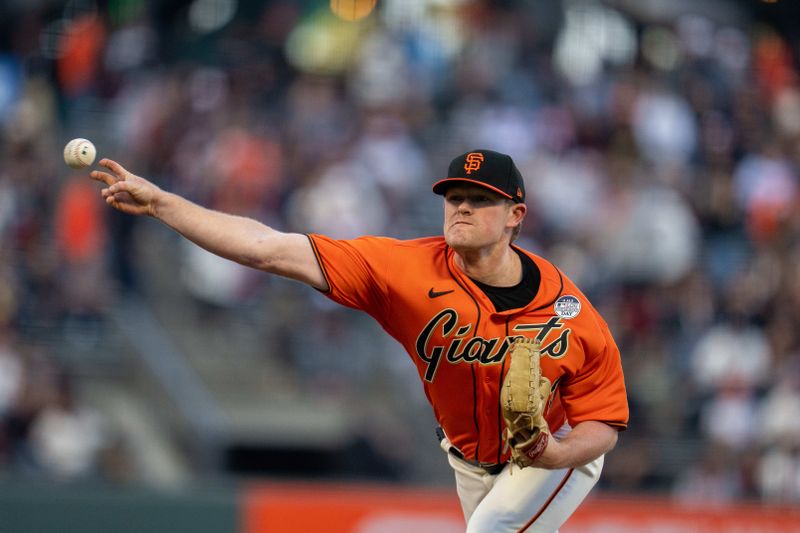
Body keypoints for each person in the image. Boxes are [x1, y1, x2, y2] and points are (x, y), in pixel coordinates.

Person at [90, 148, 628, 532]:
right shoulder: (403, 269)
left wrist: (554, 452)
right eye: (454, 196)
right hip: (469, 461)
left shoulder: (571, 312)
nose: (460, 207)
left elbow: (602, 425)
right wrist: (163, 204)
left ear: (516, 216)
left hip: (551, 455)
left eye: (479, 199)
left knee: (489, 530)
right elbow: (267, 248)